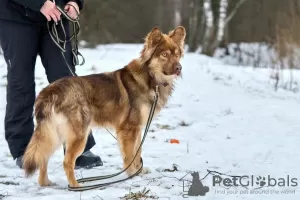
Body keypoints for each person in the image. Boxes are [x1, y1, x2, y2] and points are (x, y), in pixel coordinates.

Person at [0, 0, 103, 169]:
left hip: (56, 14)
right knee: (21, 82)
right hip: (15, 17)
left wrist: (75, 2)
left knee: (66, 81)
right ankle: (23, 149)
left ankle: (78, 147)